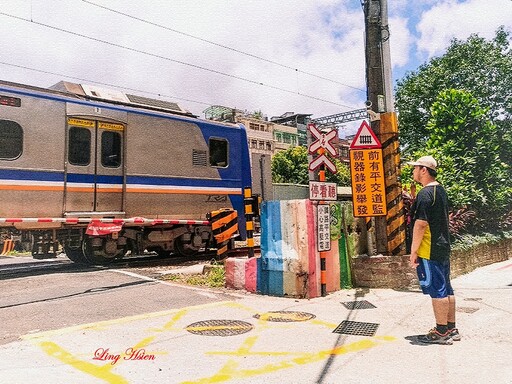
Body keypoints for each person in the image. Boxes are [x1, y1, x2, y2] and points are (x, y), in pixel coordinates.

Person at [408, 155, 460, 345]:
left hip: (429, 249)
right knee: (447, 288)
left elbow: (421, 224)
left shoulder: (425, 194)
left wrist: (413, 252)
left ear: (424, 170)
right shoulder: (441, 191)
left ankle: (440, 332)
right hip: (443, 246)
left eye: (415, 168)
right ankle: (451, 327)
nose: (413, 171)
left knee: (437, 290)